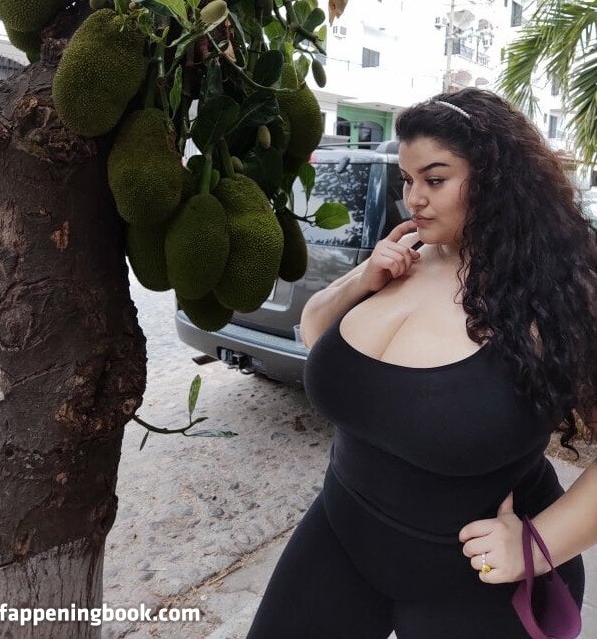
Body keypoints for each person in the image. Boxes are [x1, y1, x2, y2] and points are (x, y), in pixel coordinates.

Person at [245, 88, 596, 639]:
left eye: (435, 179)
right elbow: (314, 334)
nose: (413, 198)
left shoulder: (562, 294)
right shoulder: (407, 257)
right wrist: (362, 279)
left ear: (500, 178)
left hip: (474, 578)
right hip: (341, 531)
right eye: (407, 180)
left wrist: (536, 547)